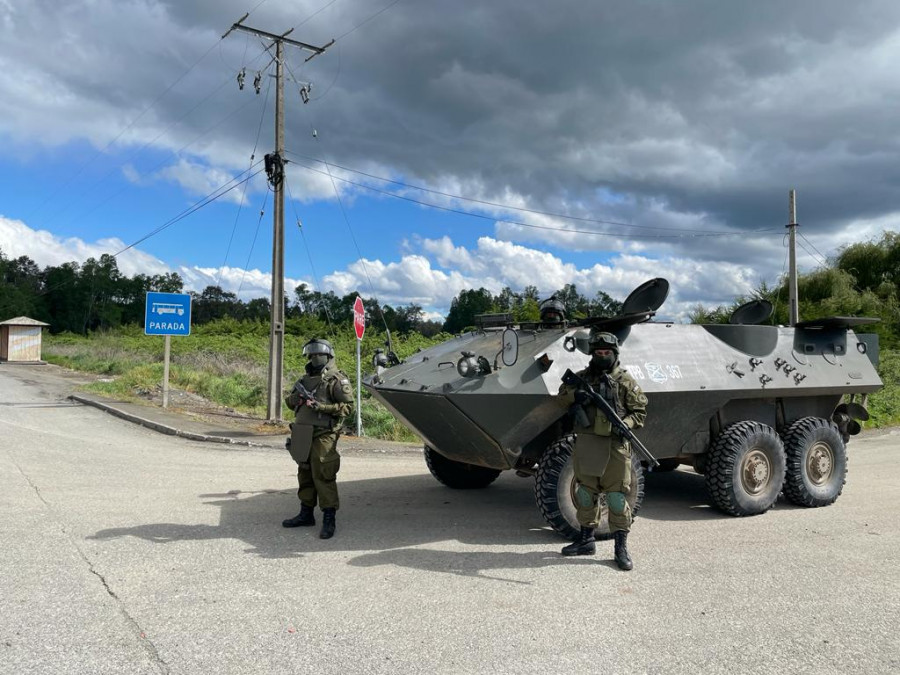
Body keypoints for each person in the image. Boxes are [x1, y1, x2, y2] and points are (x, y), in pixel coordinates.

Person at [556, 330, 647, 570]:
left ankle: (620, 546)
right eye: (598, 352)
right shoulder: (582, 377)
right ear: (592, 354)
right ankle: (586, 540)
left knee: (617, 498)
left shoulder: (625, 381)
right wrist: (579, 395)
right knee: (585, 494)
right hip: (587, 445)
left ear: (615, 353)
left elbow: (639, 413)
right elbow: (562, 396)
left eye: (607, 352)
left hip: (615, 447)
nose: (603, 356)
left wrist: (623, 425)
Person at [282, 338, 354, 539]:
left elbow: (348, 408)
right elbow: (290, 402)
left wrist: (321, 407)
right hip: (302, 433)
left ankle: (329, 519)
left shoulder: (337, 380)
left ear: (328, 356)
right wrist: (296, 399)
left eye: (318, 355)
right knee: (304, 473)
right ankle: (306, 514)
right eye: (311, 355)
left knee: (324, 474)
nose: (314, 358)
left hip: (324, 434)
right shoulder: (303, 381)